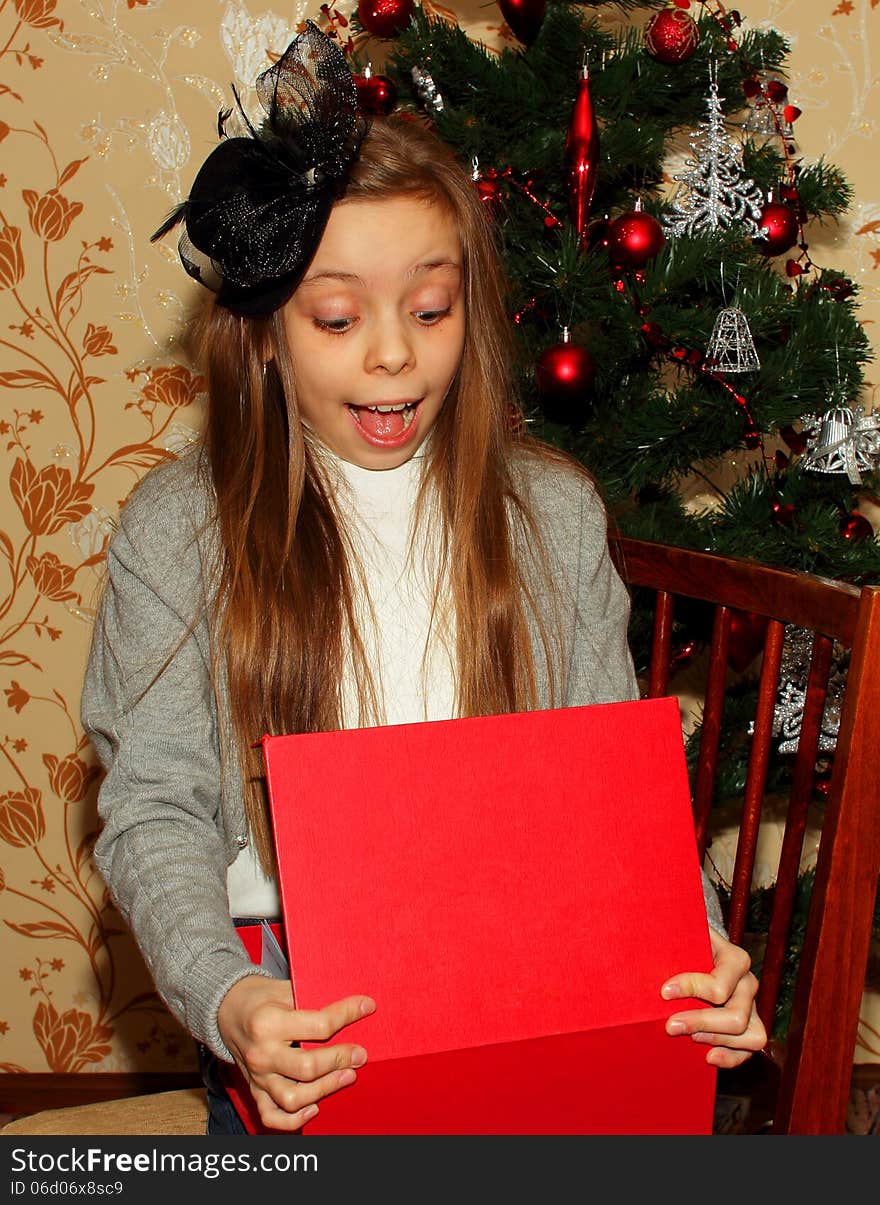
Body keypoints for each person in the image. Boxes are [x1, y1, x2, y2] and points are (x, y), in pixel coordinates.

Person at [81, 22, 767, 1136]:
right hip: (296, 1016)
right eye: (340, 317)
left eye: (432, 309)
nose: (394, 353)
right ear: (263, 336)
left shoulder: (550, 514)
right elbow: (155, 807)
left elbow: (615, 806)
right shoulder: (182, 529)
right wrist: (231, 996)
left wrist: (696, 953)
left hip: (531, 1002)